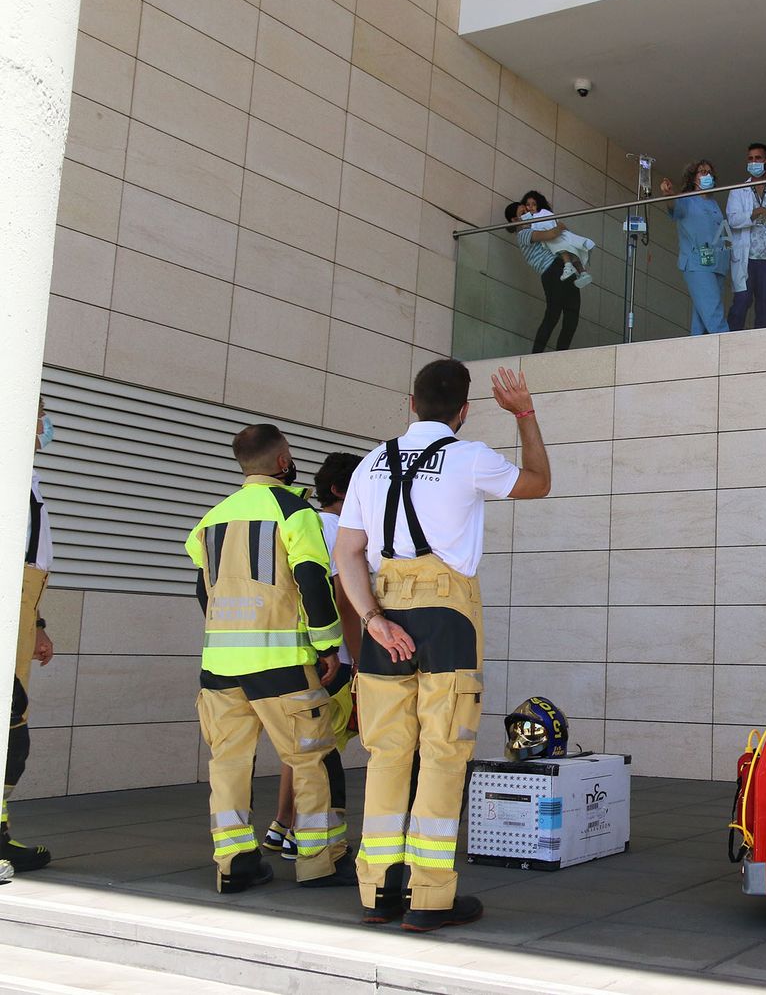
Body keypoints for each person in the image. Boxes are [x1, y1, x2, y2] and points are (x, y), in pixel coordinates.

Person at [334, 360, 552, 932]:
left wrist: (373, 621)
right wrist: (524, 414)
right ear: (464, 410)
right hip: (448, 618)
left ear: (411, 403)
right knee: (442, 754)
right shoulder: (469, 457)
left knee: (386, 755)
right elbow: (538, 481)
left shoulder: (370, 463)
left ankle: (376, 892)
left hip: (384, 615)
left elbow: (348, 553)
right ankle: (429, 899)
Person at [185, 424, 354, 894]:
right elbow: (312, 580)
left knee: (228, 763)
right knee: (311, 759)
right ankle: (320, 861)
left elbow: (204, 587)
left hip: (219, 666)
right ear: (283, 462)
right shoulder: (294, 511)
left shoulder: (213, 517)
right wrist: (327, 646)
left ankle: (234, 864)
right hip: (280, 663)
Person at [263, 452, 363, 862]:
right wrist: (358, 659)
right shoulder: (339, 527)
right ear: (340, 490)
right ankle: (310, 840)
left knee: (302, 747)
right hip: (331, 656)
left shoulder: (299, 522)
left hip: (292, 652)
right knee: (321, 753)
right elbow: (345, 596)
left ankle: (282, 826)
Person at [3, 400, 56, 876]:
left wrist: (36, 624)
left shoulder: (25, 474)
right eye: (40, 413)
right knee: (11, 734)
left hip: (21, 607)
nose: (46, 423)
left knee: (11, 731)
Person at [658, 161, 731, 334]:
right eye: (702, 172)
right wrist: (668, 194)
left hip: (718, 265)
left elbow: (725, 233)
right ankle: (730, 349)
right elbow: (673, 207)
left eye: (709, 172)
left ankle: (696, 354)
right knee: (713, 313)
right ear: (693, 177)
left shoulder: (714, 204)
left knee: (702, 317)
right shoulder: (686, 200)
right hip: (698, 264)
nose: (707, 175)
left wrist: (730, 254)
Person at [503, 197, 579, 354]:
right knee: (553, 314)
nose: (528, 213)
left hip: (562, 267)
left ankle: (561, 353)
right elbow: (549, 235)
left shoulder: (532, 227)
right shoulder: (523, 234)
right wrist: (559, 227)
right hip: (551, 272)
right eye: (523, 212)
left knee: (572, 313)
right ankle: (536, 354)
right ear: (514, 219)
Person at [726, 143, 766, 330]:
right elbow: (733, 220)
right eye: (750, 159)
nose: (754, 162)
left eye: (758, 158)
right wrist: (756, 212)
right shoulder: (737, 191)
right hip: (748, 256)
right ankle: (730, 341)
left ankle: (761, 348)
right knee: (741, 302)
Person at [520, 192, 594, 289]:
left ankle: (568, 266)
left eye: (534, 204)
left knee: (560, 246)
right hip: (560, 234)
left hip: (555, 236)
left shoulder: (541, 214)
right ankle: (583, 273)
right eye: (528, 205)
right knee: (573, 252)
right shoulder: (543, 214)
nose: (531, 207)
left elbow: (548, 228)